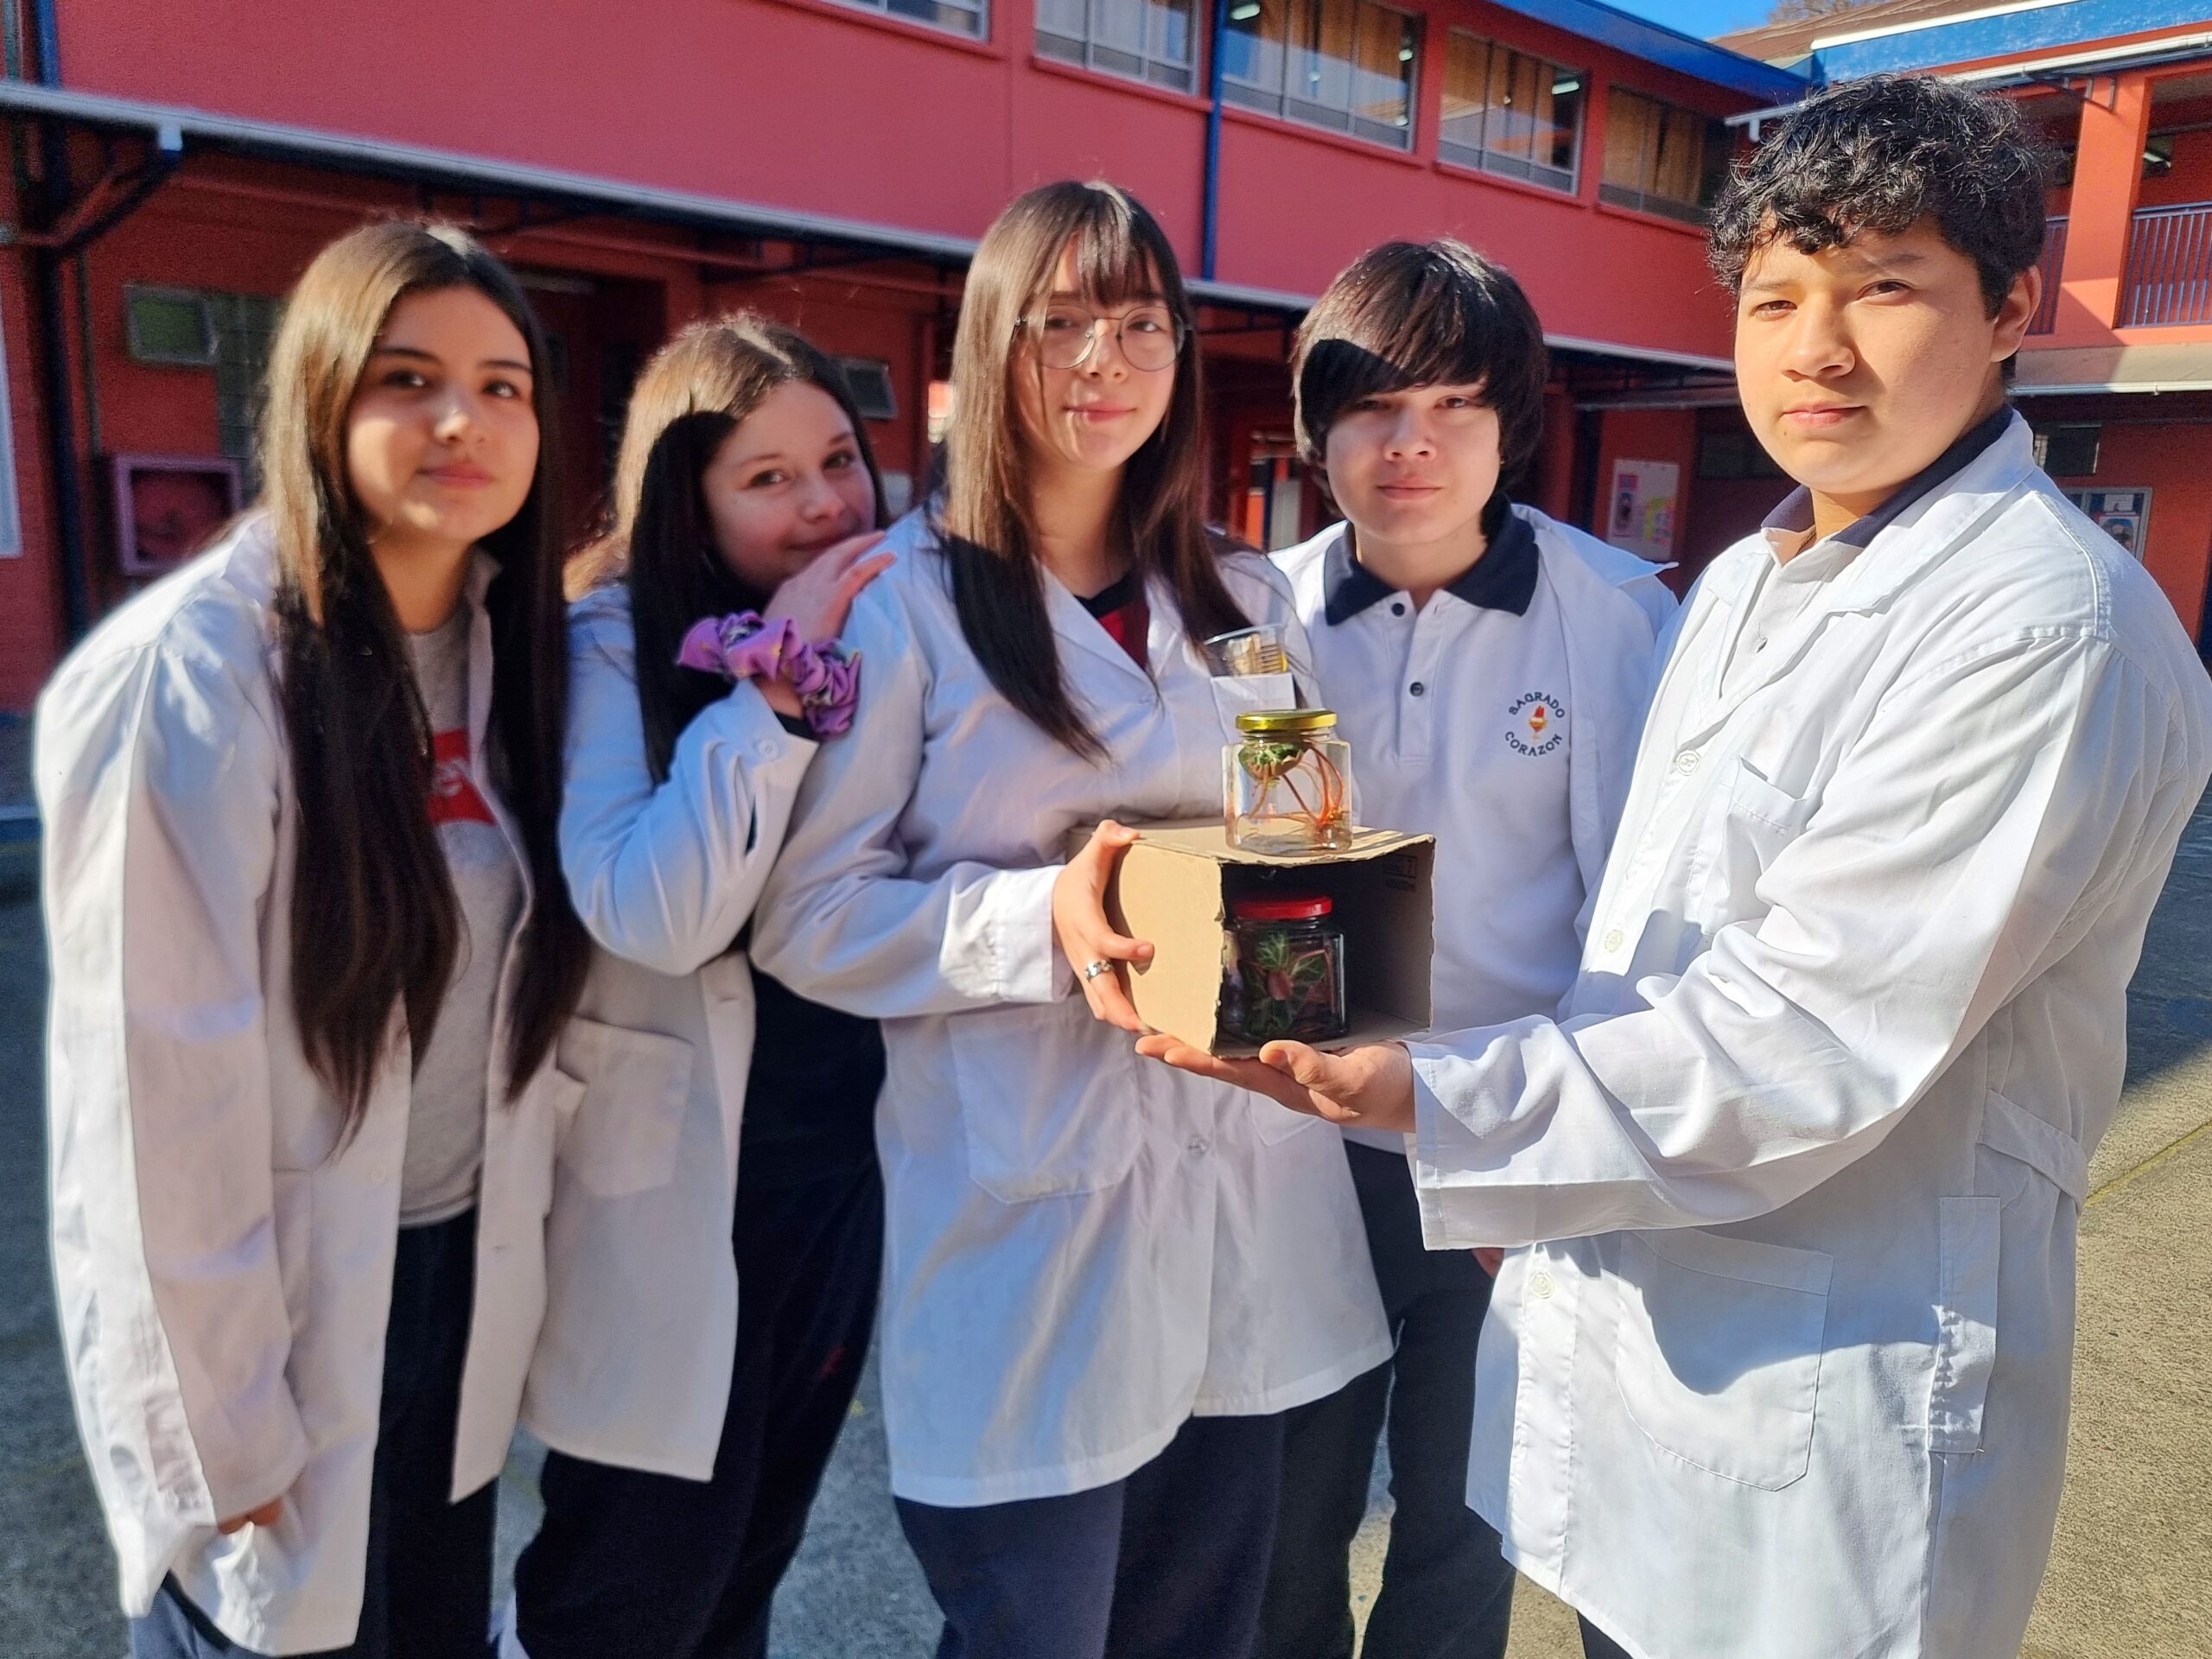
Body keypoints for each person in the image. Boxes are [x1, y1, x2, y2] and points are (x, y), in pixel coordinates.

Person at [1140, 73, 2212, 1659]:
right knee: (1299, 1514)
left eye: (1885, 288)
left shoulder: (2027, 630)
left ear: (2009, 309)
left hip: (1752, 1310)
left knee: (1448, 1540)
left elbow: (1807, 1029)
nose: (1817, 348)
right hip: (1500, 1181)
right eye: (1776, 299)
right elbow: (1626, 929)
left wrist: (1469, 1113)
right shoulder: (1729, 586)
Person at [748, 179, 1391, 1659]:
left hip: (1239, 1200)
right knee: (1033, 1631)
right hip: (1029, 1222)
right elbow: (810, 917)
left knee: (1203, 1630)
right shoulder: (909, 605)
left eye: (1143, 324)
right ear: (993, 345)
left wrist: (1309, 949)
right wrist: (1048, 918)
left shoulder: (1244, 597)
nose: (1108, 360)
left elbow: (1307, 839)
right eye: (1063, 323)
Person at [37, 220, 590, 1657]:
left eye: (504, 385)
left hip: (445, 1280)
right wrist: (215, 1432)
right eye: (409, 379)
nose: (464, 420)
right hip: (279, 1314)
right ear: (320, 399)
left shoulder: (516, 650)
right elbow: (151, 1097)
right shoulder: (199, 672)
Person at [1260, 240, 1673, 1659]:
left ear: (1512, 425)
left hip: (1507, 1146)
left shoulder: (1615, 616)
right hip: (1301, 1148)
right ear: (1318, 430)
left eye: (1453, 405)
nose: (1411, 444)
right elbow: (1250, 862)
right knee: (1287, 1514)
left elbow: (1640, 914)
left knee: (1467, 1514)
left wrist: (1562, 1160)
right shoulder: (1260, 616)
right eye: (1374, 406)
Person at [503, 315, 893, 1658]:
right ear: (689, 500)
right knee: (629, 1583)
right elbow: (652, 913)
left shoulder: (890, 629)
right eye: (767, 477)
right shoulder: (610, 639)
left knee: (751, 1560)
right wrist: (771, 694)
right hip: (680, 1189)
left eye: (837, 459)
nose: (824, 503)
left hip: (831, 1179)